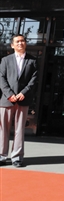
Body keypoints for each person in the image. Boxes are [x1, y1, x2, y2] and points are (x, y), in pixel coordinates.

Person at [0, 34, 37, 167]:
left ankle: (17, 158)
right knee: (3, 129)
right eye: (17, 41)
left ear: (25, 43)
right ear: (12, 45)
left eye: (22, 41)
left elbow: (34, 79)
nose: (20, 43)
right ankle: (1, 156)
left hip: (23, 100)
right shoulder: (5, 60)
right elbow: (1, 78)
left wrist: (23, 93)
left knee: (19, 129)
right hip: (7, 100)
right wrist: (9, 94)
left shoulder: (32, 60)